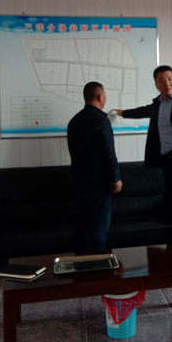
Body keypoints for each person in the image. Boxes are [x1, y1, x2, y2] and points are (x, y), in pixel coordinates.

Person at [116, 65, 172, 264]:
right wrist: (123, 113)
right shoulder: (158, 104)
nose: (167, 83)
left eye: (170, 78)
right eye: (162, 80)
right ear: (156, 84)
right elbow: (143, 111)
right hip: (168, 161)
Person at [67, 82, 123, 252]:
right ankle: (97, 263)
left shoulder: (74, 121)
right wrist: (116, 177)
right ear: (99, 97)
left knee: (83, 225)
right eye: (104, 96)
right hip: (99, 182)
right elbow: (108, 151)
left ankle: (81, 262)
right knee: (98, 226)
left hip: (79, 180)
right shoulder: (101, 120)